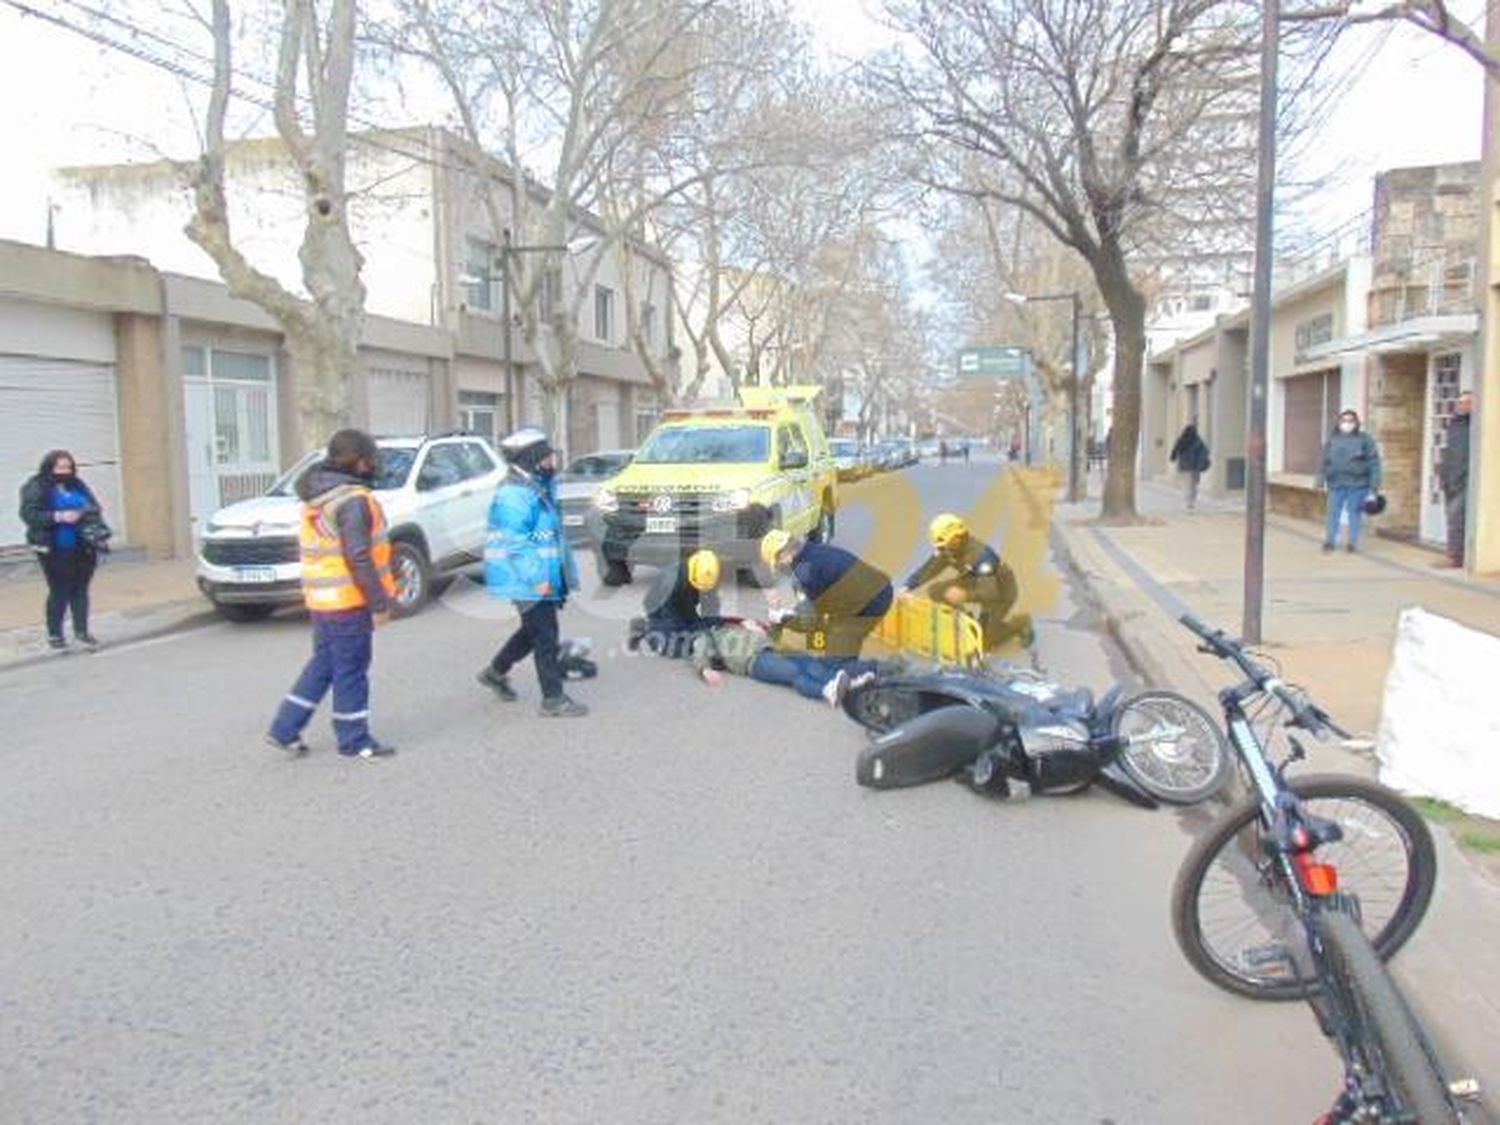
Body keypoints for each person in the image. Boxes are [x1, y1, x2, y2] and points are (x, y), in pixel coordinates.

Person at [266, 430, 398, 759]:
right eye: (371, 458)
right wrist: (378, 603)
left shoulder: (318, 494)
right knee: (351, 669)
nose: (374, 464)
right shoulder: (353, 501)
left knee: (324, 664)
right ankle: (354, 740)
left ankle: (285, 728)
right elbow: (359, 556)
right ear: (360, 461)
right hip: (348, 601)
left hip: (321, 600)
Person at [476, 428, 588, 718]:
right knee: (545, 635)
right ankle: (553, 698)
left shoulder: (536, 485)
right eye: (547, 455)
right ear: (532, 458)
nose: (552, 459)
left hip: (540, 574)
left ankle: (495, 671)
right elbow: (516, 543)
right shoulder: (513, 494)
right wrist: (539, 580)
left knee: (532, 630)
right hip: (526, 578)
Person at [20, 449, 110, 651]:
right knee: (59, 590)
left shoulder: (77, 485)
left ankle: (82, 631)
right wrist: (59, 517)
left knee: (80, 589)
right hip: (55, 547)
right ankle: (55, 634)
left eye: (68, 467)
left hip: (83, 545)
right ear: (49, 467)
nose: (64, 471)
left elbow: (95, 507)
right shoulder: (36, 486)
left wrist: (85, 515)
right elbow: (29, 514)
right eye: (60, 467)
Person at [759, 529, 893, 661]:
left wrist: (783, 618)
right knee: (828, 627)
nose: (779, 566)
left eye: (778, 562)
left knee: (836, 662)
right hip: (873, 589)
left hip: (871, 602)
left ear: (784, 552)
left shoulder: (805, 570)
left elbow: (810, 621)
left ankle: (879, 672)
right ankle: (829, 654)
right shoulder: (812, 551)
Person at [688, 619, 878, 707]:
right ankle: (826, 691)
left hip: (773, 647)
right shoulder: (707, 636)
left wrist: (758, 627)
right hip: (754, 661)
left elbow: (769, 630)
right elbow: (699, 653)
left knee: (812, 663)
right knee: (793, 673)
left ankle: (850, 685)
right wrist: (705, 671)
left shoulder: (734, 624)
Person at [903, 513, 1025, 649]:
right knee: (936, 591)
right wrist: (907, 586)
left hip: (1000, 591)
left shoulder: (983, 557)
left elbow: (990, 592)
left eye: (943, 546)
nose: (940, 550)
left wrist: (964, 595)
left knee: (983, 643)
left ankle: (1019, 625)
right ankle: (967, 623)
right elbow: (929, 569)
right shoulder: (949, 550)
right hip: (973, 579)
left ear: (956, 539)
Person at [629, 548, 725, 657]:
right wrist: (691, 639)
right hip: (660, 608)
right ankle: (644, 627)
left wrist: (713, 626)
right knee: (674, 648)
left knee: (706, 629)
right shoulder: (672, 580)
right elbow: (671, 619)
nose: (703, 591)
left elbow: (711, 608)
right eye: (700, 588)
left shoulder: (709, 575)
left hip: (685, 603)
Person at [1318, 409, 1382, 554]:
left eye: (1350, 421)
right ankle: (1330, 541)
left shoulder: (1365, 439)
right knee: (1333, 513)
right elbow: (1324, 461)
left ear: (1356, 423)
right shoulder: (1332, 439)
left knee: (1354, 513)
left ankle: (1352, 543)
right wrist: (1320, 480)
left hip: (1358, 484)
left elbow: (1374, 463)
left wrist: (1374, 488)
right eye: (1344, 420)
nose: (1347, 424)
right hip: (1336, 483)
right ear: (1339, 423)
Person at [1437, 390, 1474, 569]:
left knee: (1456, 518)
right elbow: (1450, 452)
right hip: (1449, 479)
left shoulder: (1476, 426)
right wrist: (1443, 474)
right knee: (1452, 518)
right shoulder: (1455, 425)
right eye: (1460, 403)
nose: (1462, 406)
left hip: (1464, 479)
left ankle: (1455, 557)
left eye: (1467, 402)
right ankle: (1454, 553)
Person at [1168, 422, 1211, 511]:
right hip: (1194, 467)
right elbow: (1205, 451)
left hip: (1184, 467)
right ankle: (1191, 501)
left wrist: (1173, 457)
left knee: (1186, 485)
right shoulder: (1197, 441)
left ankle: (1188, 502)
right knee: (1193, 485)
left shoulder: (1181, 440)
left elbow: (1175, 450)